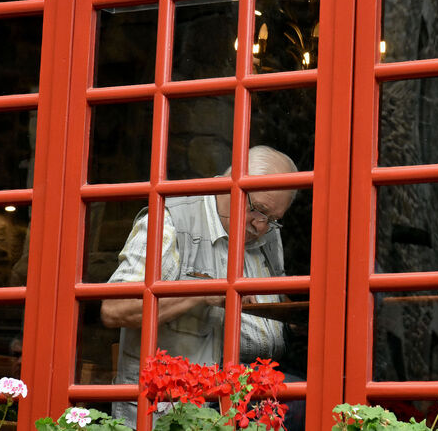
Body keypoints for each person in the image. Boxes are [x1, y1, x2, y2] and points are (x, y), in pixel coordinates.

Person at [100, 145, 297, 427]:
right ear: (231, 186)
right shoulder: (170, 221)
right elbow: (115, 308)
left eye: (274, 220)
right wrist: (202, 291)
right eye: (259, 210)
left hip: (254, 396)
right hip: (181, 407)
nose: (262, 226)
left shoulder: (267, 234)